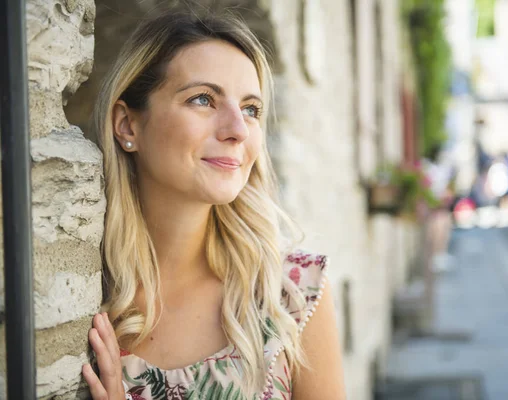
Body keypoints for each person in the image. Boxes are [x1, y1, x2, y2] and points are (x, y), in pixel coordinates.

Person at [81, 12, 345, 400]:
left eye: (251, 109)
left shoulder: (290, 295)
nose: (238, 130)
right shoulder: (75, 295)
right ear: (127, 125)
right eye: (203, 99)